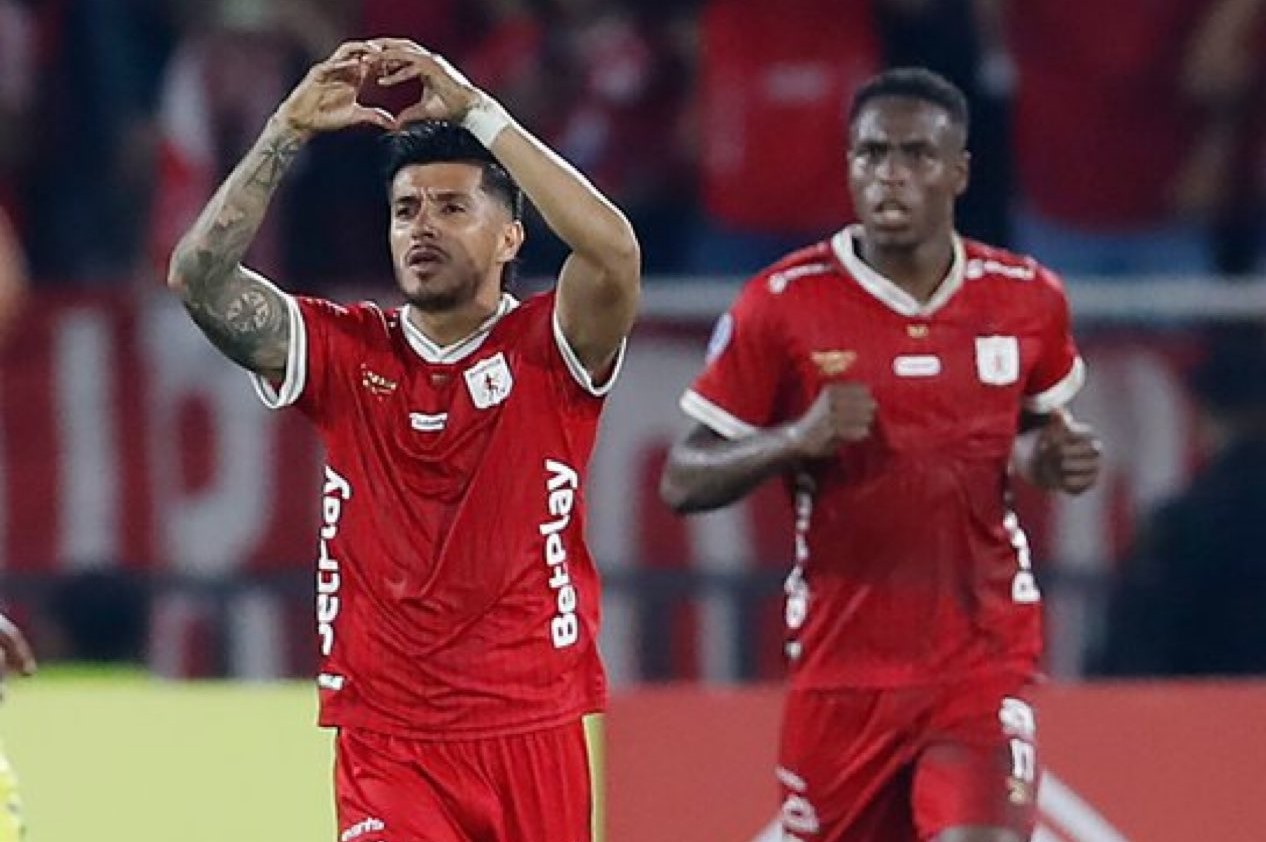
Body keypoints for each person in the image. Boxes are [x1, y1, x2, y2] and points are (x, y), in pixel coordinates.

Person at [166, 38, 640, 842]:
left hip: (532, 727)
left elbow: (614, 251)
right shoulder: (346, 352)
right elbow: (199, 279)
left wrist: (478, 113)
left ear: (510, 237)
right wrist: (286, 129)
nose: (422, 226)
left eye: (453, 208)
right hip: (388, 744)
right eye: (406, 209)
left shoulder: (550, 347)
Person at [660, 68, 1101, 842]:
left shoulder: (1026, 298)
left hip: (981, 657)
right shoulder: (783, 302)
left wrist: (1048, 459)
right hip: (843, 673)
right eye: (871, 154)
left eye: (915, 154)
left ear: (959, 171)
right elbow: (682, 479)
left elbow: (1031, 427)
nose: (890, 173)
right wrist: (796, 439)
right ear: (849, 165)